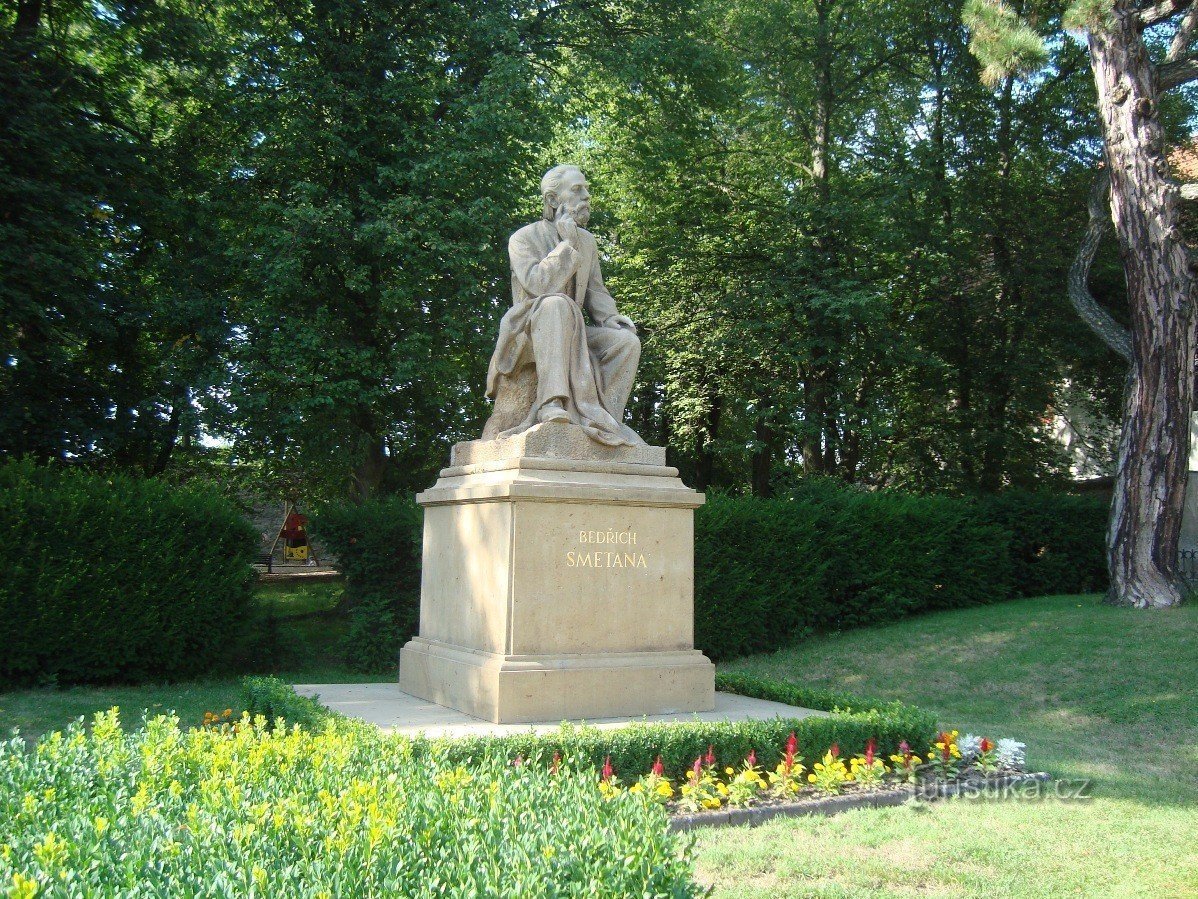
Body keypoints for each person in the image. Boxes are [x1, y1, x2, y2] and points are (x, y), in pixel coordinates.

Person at [484, 165, 644, 446]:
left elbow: (596, 290)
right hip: (530, 332)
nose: (587, 196)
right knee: (555, 304)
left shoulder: (588, 242)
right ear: (553, 200)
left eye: (586, 189)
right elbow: (539, 285)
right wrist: (567, 245)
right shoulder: (523, 238)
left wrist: (610, 318)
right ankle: (550, 402)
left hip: (575, 332)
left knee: (626, 342)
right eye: (577, 190)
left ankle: (607, 419)